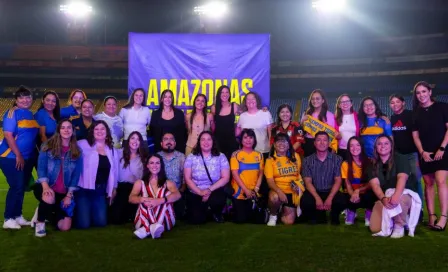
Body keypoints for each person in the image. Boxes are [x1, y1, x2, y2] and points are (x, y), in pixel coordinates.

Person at [33, 119, 82, 237]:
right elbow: (41, 168)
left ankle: (43, 210)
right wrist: (45, 187)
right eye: (63, 127)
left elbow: (76, 175)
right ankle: (40, 222)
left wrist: (69, 195)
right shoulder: (47, 145)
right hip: (46, 186)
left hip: (63, 192)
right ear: (59, 130)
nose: (66, 130)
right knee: (49, 196)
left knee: (65, 227)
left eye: (69, 127)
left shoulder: (77, 150)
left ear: (73, 131)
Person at [0, 86, 39, 229]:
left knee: (21, 187)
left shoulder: (30, 114)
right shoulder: (11, 113)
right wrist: (18, 155)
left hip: (27, 158)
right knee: (16, 186)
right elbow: (8, 135)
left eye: (28, 97)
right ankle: (8, 218)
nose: (25, 100)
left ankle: (17, 216)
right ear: (16, 100)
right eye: (21, 97)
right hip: (10, 157)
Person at [412, 81, 448, 231]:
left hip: (442, 151)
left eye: (424, 92)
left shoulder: (442, 107)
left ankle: (443, 217)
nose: (421, 95)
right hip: (425, 153)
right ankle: (432, 216)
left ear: (430, 92)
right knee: (428, 184)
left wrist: (442, 148)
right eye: (418, 93)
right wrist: (422, 152)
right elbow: (415, 136)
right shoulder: (416, 113)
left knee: (440, 181)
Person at [367, 135, 419, 238]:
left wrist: (396, 196)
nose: (383, 146)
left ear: (391, 145)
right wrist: (383, 199)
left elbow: (402, 178)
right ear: (376, 147)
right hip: (385, 196)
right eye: (379, 144)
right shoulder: (372, 164)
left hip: (403, 193)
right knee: (375, 228)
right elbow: (375, 185)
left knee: (400, 199)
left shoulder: (400, 158)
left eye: (386, 143)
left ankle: (399, 226)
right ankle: (398, 219)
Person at [75, 120, 119, 229]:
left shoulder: (112, 150)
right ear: (92, 131)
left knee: (101, 222)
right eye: (96, 129)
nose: (99, 131)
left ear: (107, 132)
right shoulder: (82, 144)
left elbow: (115, 171)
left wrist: (114, 188)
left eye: (102, 129)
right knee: (84, 224)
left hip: (100, 190)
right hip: (84, 189)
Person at [130, 154, 181, 239]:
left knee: (167, 194)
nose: (155, 165)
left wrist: (159, 201)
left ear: (161, 165)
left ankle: (146, 230)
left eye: (157, 163)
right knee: (144, 199)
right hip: (143, 219)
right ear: (147, 165)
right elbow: (131, 198)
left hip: (165, 221)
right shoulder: (140, 182)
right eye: (152, 163)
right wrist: (143, 199)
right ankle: (153, 227)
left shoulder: (168, 183)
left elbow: (178, 195)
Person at [184, 131, 230, 224]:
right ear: (199, 142)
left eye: (209, 139)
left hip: (214, 189)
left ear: (213, 142)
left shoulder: (221, 156)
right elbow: (187, 178)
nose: (206, 142)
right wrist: (200, 192)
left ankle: (216, 212)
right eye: (203, 140)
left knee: (217, 199)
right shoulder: (191, 157)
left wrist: (209, 190)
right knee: (196, 219)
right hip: (196, 190)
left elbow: (225, 178)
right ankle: (205, 210)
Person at [300, 131, 346, 225]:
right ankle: (316, 215)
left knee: (341, 200)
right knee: (305, 202)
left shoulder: (337, 159)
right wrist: (317, 198)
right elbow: (307, 182)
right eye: (319, 140)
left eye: (325, 140)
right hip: (314, 192)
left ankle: (334, 215)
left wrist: (329, 198)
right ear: (314, 143)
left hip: (331, 191)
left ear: (329, 143)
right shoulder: (307, 160)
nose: (322, 143)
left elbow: (338, 181)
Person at [389, 94, 424, 211]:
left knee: (416, 180)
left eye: (397, 102)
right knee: (401, 181)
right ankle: (405, 207)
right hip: (398, 154)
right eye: (392, 103)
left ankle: (419, 209)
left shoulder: (411, 115)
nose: (395, 105)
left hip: (412, 154)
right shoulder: (391, 119)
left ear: (403, 103)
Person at [265, 133, 304, 226]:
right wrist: (279, 192)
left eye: (284, 141)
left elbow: (299, 175)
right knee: (274, 198)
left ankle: (281, 209)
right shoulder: (270, 160)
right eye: (279, 141)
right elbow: (270, 181)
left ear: (288, 145)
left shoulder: (296, 157)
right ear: (274, 145)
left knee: (288, 222)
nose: (281, 144)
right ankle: (273, 214)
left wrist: (299, 187)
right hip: (277, 191)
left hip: (292, 192)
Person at [109, 131, 147, 225]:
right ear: (128, 140)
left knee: (130, 216)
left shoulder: (143, 158)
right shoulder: (118, 153)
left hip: (134, 189)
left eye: (138, 139)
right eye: (132, 138)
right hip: (120, 188)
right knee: (115, 218)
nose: (135, 141)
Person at [230, 129, 264, 224]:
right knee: (241, 219)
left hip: (254, 192)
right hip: (240, 193)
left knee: (258, 220)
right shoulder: (236, 155)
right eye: (245, 137)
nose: (248, 140)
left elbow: (261, 173)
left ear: (254, 140)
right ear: (241, 140)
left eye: (251, 137)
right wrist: (245, 190)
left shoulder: (259, 155)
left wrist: (256, 189)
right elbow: (235, 174)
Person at [341, 136, 375, 226]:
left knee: (372, 195)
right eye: (351, 146)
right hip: (352, 192)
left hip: (365, 192)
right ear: (348, 148)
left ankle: (369, 214)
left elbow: (371, 183)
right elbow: (347, 183)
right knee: (344, 197)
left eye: (357, 145)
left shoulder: (369, 162)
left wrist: (358, 190)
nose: (354, 148)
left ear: (362, 147)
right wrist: (353, 195)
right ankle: (351, 211)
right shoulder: (345, 164)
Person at [236, 92, 273, 159]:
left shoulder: (265, 113)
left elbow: (271, 134)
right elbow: (238, 133)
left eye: (253, 99)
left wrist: (272, 150)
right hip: (246, 151)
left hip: (263, 151)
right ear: (245, 102)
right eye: (248, 99)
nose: (250, 101)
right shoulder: (242, 116)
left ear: (257, 100)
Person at [157, 132, 186, 219]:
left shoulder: (181, 157)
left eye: (171, 139)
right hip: (160, 193)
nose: (169, 141)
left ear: (175, 143)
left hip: (177, 192)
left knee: (178, 215)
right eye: (166, 139)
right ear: (161, 143)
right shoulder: (156, 157)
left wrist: (181, 190)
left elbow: (185, 177)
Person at [301, 89, 336, 157]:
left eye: (317, 99)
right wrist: (302, 122)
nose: (315, 101)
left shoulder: (330, 115)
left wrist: (333, 150)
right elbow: (301, 131)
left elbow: (333, 135)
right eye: (313, 99)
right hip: (309, 144)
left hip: (324, 145)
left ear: (323, 100)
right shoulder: (306, 114)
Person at [211, 85, 240, 160]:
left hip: (231, 141)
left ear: (229, 94)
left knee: (231, 165)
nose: (225, 94)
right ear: (219, 94)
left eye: (227, 92)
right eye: (222, 92)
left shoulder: (234, 106)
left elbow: (246, 112)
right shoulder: (214, 108)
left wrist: (262, 109)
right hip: (218, 142)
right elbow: (213, 125)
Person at [334, 94, 360, 160]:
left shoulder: (358, 116)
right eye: (342, 102)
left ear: (351, 104)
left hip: (355, 150)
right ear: (339, 105)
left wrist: (383, 116)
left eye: (347, 101)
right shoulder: (335, 118)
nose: (345, 103)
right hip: (340, 150)